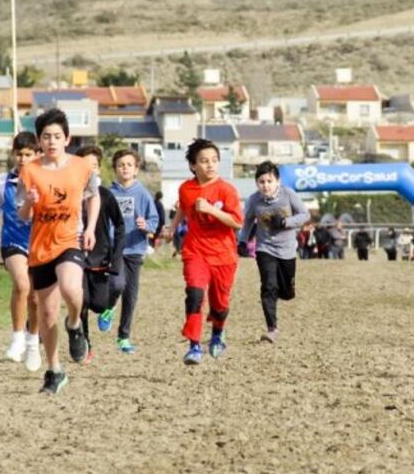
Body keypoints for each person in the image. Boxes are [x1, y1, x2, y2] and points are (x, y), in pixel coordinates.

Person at [18, 109, 100, 395]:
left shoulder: (81, 167)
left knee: (70, 287)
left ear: (67, 138)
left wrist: (89, 229)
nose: (51, 141)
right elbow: (23, 215)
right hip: (40, 247)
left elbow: (94, 196)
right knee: (47, 313)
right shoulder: (29, 171)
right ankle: (54, 370)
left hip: (69, 240)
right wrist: (29, 203)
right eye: (45, 137)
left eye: (56, 136)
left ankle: (75, 323)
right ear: (39, 141)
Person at [166, 138, 243, 365]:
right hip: (195, 251)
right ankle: (194, 346)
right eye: (204, 161)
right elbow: (183, 206)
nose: (210, 165)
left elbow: (237, 223)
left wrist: (211, 210)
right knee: (195, 295)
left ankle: (218, 333)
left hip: (223, 255)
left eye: (214, 160)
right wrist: (172, 227)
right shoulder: (186, 189)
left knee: (220, 305)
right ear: (193, 166)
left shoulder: (226, 190)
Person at [0, 131, 42, 370]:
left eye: (28, 154)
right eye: (19, 154)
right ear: (13, 154)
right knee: (22, 285)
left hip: (39, 243)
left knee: (35, 297)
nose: (23, 159)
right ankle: (16, 338)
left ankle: (32, 341)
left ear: (37, 155)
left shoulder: (45, 180)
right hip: (12, 241)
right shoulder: (2, 182)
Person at [239, 160, 310, 343]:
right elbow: (247, 222)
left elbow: (305, 215)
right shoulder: (254, 200)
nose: (266, 186)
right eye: (261, 182)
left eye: (269, 181)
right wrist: (242, 240)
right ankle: (272, 328)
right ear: (257, 184)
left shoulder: (288, 194)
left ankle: (285, 289)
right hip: (265, 248)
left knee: (286, 292)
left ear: (277, 181)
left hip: (287, 250)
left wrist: (286, 223)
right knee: (268, 286)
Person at [100, 148, 159, 354]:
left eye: (129, 165)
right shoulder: (108, 193)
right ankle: (108, 308)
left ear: (136, 169)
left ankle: (123, 337)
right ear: (115, 169)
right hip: (115, 249)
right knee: (117, 285)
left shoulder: (142, 193)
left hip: (135, 247)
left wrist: (146, 225)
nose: (125, 168)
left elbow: (154, 219)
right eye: (120, 165)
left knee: (131, 295)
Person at [74, 145, 126, 362]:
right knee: (82, 302)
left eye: (94, 166)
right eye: (85, 166)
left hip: (102, 257)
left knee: (98, 304)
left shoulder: (105, 195)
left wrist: (116, 257)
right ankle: (85, 343)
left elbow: (120, 225)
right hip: (76, 257)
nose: (90, 170)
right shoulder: (70, 193)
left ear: (99, 170)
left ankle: (108, 310)